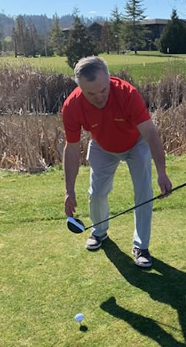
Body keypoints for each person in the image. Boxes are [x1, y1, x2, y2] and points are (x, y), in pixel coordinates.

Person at [62, 56, 172, 268]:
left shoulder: (127, 93)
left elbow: (150, 134)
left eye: (103, 90)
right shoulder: (72, 106)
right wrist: (69, 190)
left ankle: (141, 246)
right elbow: (72, 148)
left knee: (143, 193)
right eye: (90, 93)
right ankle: (99, 232)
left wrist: (162, 172)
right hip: (102, 145)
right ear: (80, 89)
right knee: (96, 193)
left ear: (109, 79)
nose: (99, 97)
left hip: (136, 143)